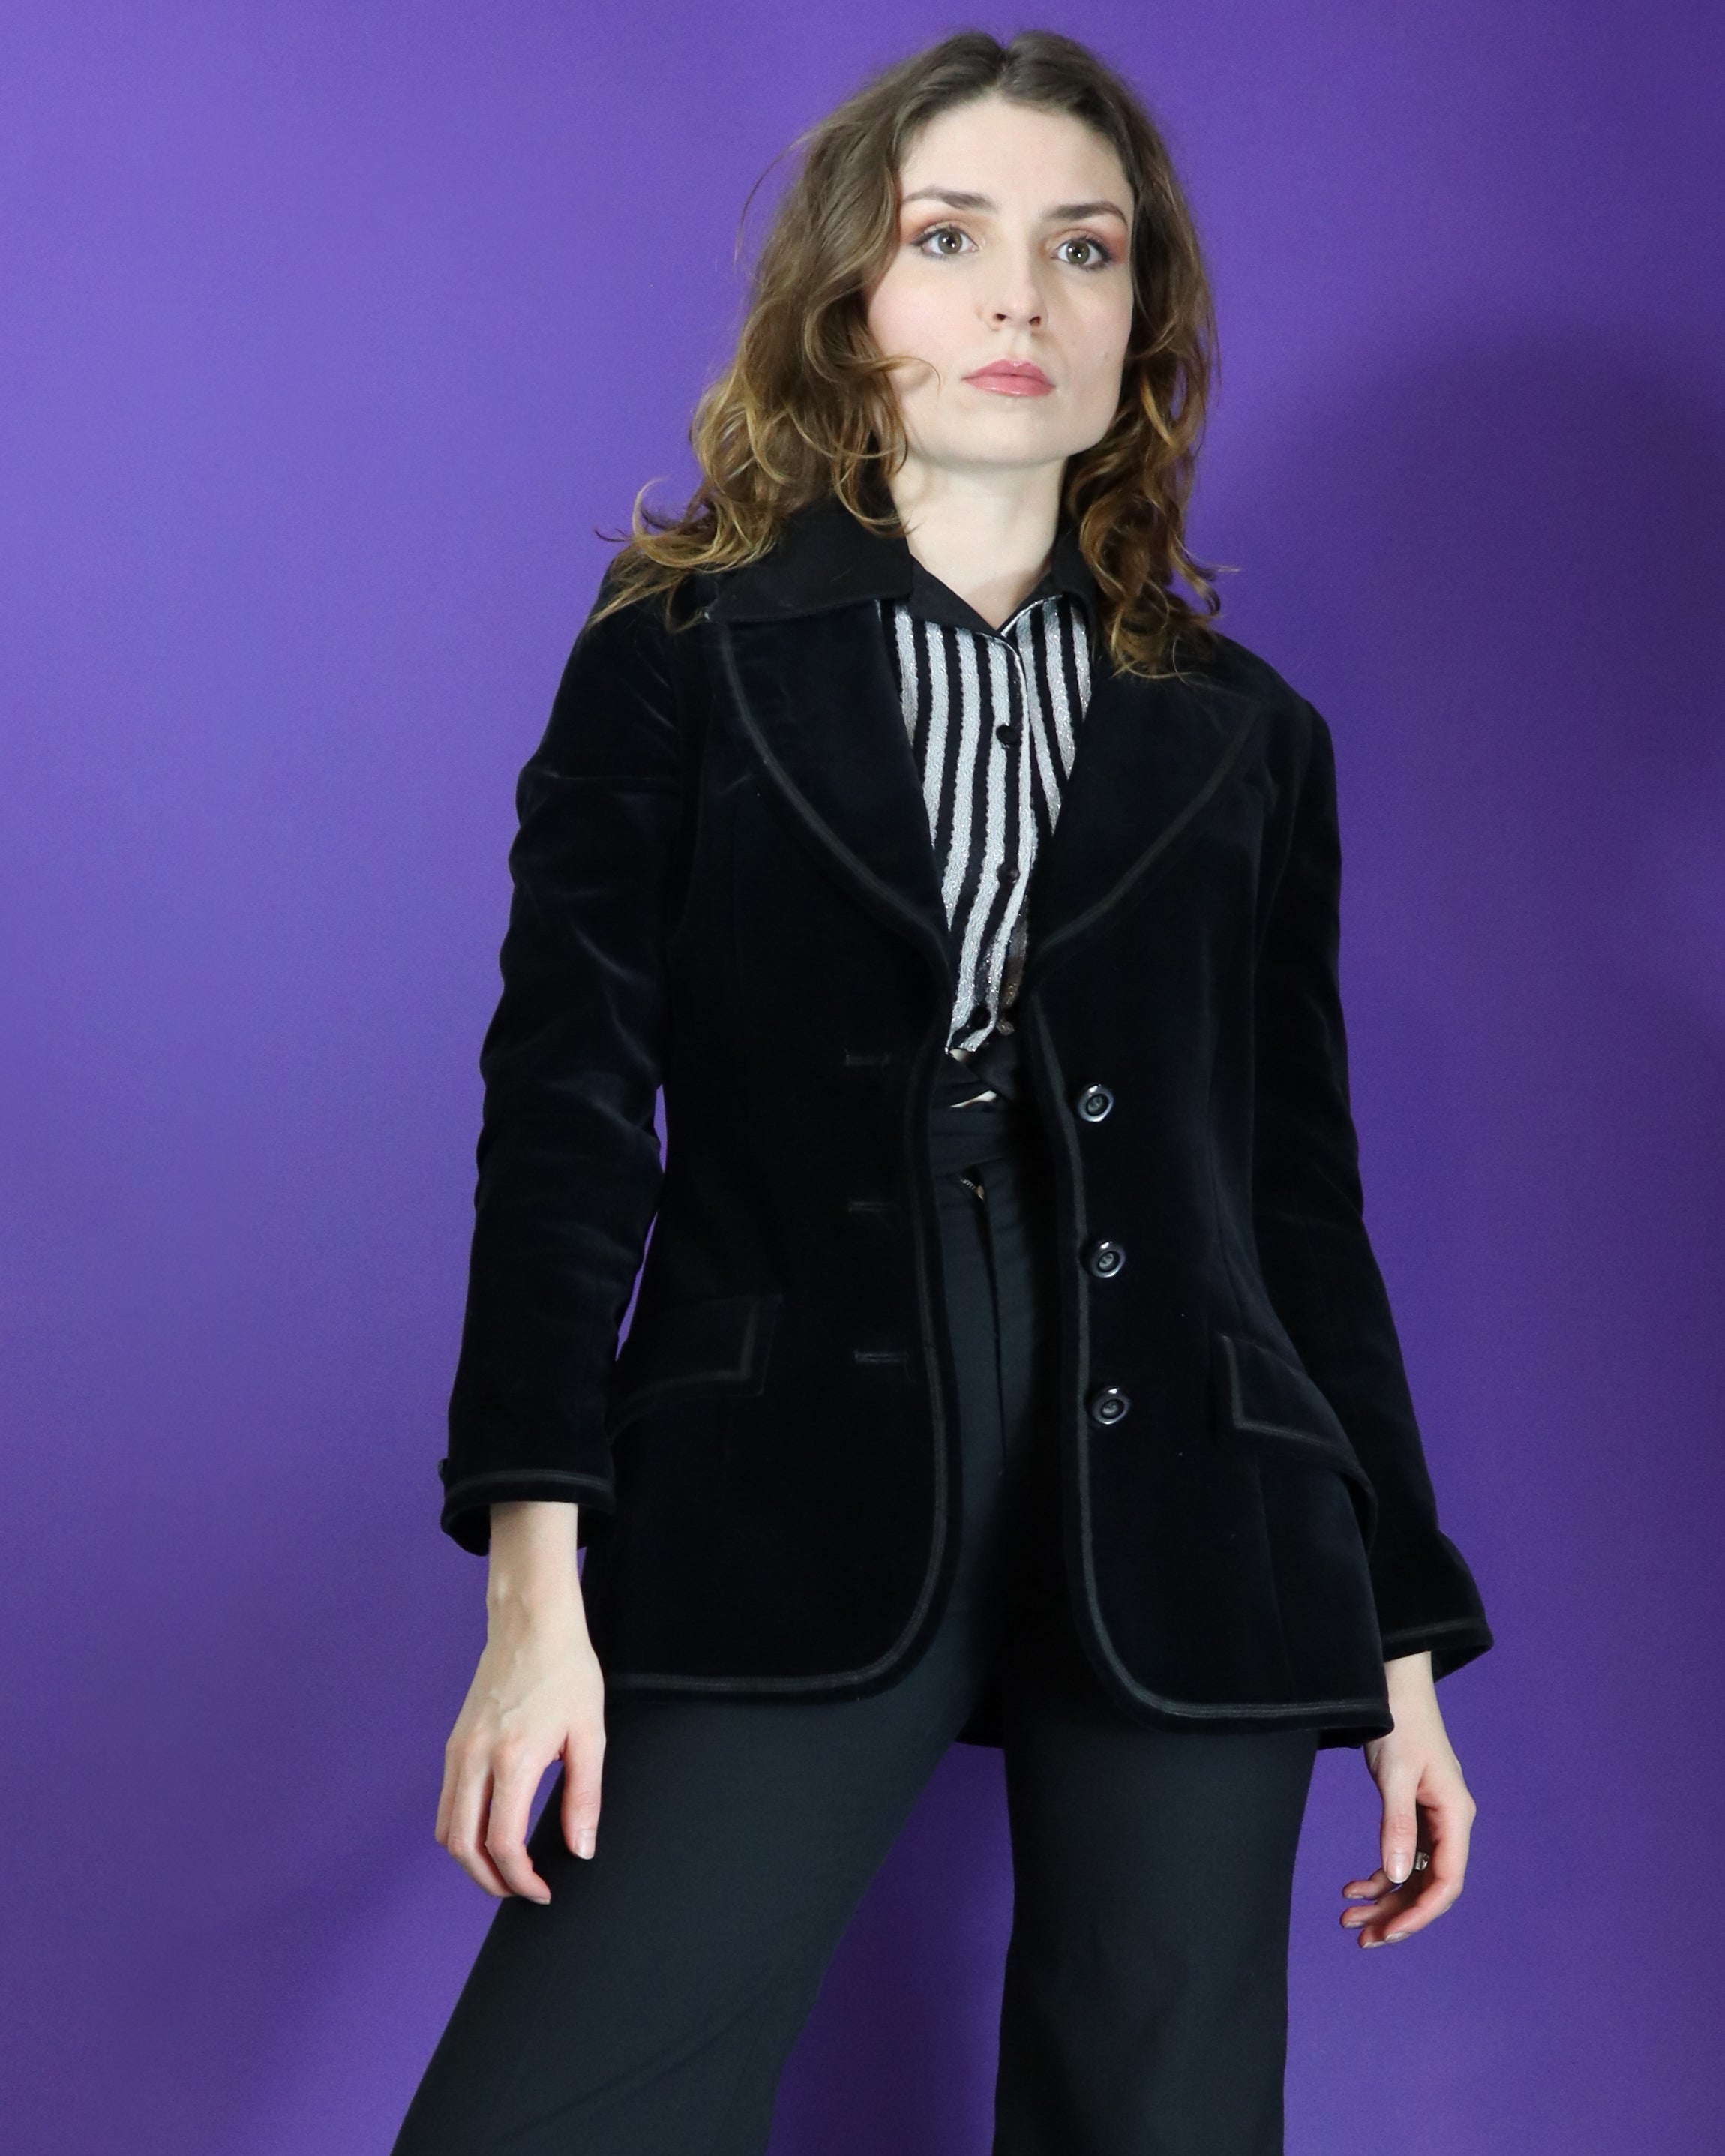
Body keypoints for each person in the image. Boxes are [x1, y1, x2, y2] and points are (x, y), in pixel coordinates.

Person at [391, 28, 1492, 2156]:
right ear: (850, 296)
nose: (1022, 298)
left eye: (1084, 248)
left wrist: (1399, 1646)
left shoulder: (1246, 737)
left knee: (1158, 2117)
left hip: (1201, 1491)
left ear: (1139, 317)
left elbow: (1289, 1200)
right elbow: (565, 1122)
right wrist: (538, 1595)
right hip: (785, 1460)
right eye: (950, 237)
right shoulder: (681, 656)